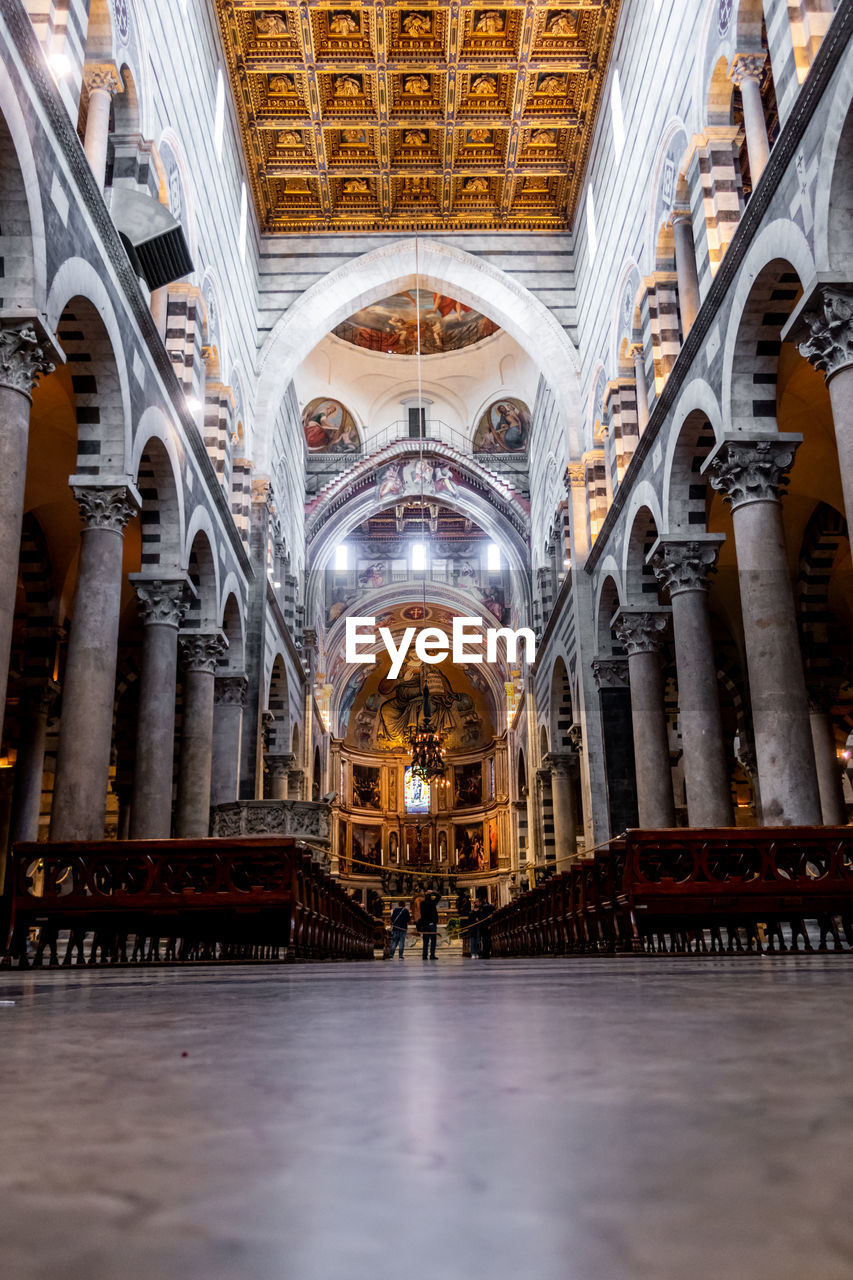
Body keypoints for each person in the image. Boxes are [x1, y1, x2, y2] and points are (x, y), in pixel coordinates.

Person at [420, 891, 439, 959]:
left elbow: (421, 914)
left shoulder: (422, 903)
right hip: (432, 924)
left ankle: (424, 956)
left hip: (425, 924)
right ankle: (432, 955)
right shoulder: (432, 903)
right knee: (433, 940)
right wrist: (433, 892)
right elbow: (439, 896)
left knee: (425, 941)